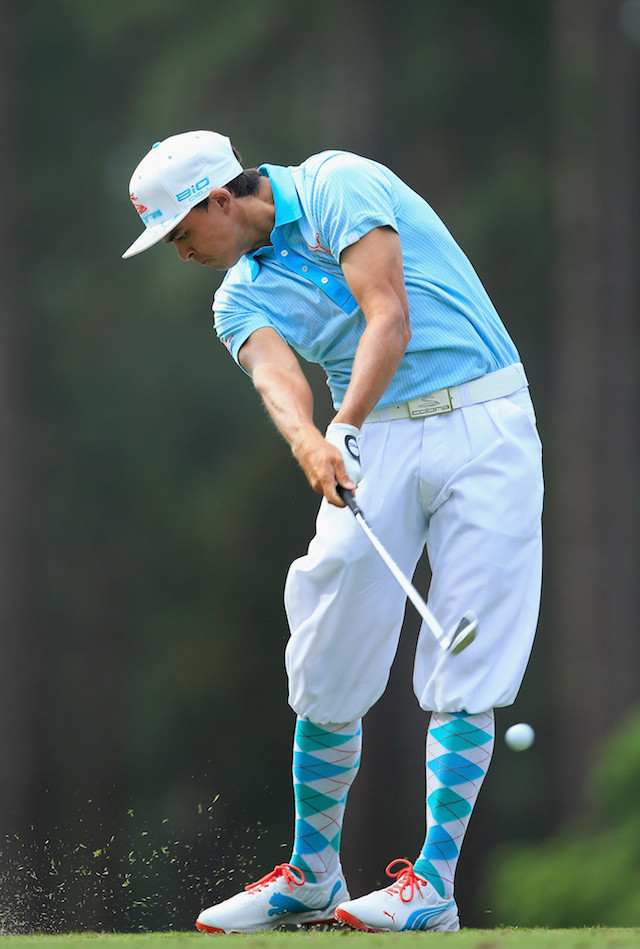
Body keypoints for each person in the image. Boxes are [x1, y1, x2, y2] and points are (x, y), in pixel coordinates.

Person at [122, 130, 543, 933]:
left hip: (484, 416)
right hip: (372, 438)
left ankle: (435, 885)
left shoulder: (337, 185)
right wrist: (309, 439)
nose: (181, 252)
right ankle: (313, 872)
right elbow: (276, 375)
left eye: (181, 232)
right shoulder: (235, 296)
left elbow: (389, 315)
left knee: (466, 639)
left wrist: (339, 425)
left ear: (219, 198)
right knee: (328, 630)